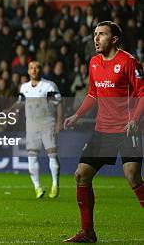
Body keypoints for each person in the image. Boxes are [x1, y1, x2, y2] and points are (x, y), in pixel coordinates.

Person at [63, 21, 144, 243]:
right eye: (95, 34)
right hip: (103, 129)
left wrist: (135, 120)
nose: (96, 38)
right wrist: (77, 115)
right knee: (81, 174)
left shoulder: (129, 62)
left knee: (132, 176)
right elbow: (93, 93)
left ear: (114, 39)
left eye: (102, 34)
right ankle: (87, 232)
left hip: (127, 129)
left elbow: (142, 93)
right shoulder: (94, 62)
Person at [12, 61, 63, 199]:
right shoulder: (24, 88)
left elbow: (58, 104)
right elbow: (20, 103)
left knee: (52, 154)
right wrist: (8, 112)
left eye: (37, 68)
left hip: (48, 123)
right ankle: (37, 187)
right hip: (32, 126)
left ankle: (55, 184)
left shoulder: (49, 86)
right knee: (32, 155)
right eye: (31, 68)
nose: (34, 70)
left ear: (41, 70)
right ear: (28, 71)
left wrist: (59, 122)